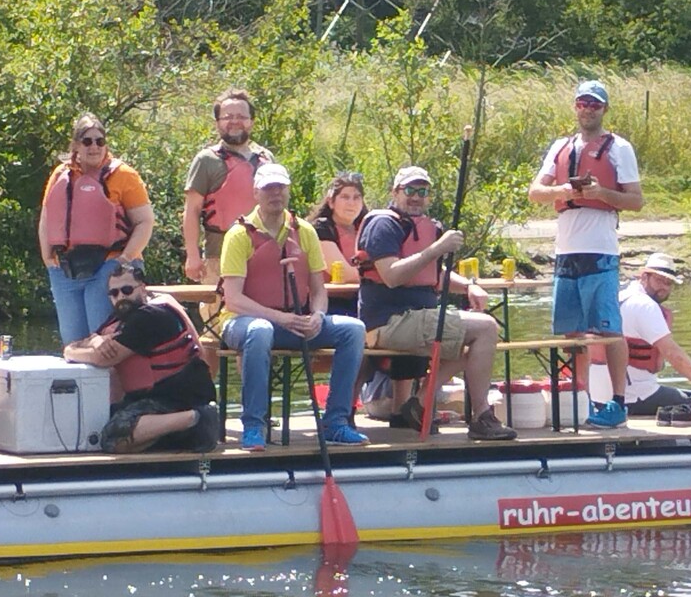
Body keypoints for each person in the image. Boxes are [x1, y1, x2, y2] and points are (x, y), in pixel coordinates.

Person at [354, 166, 517, 441]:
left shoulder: (425, 227)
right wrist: (437, 249)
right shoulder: (383, 225)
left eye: (422, 192)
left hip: (420, 318)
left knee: (475, 342)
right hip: (390, 322)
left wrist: (469, 286)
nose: (416, 197)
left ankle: (418, 403)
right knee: (486, 328)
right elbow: (392, 275)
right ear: (395, 192)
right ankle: (480, 416)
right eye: (409, 190)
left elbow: (433, 274)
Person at [219, 163, 369, 451]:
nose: (275, 194)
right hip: (243, 322)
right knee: (260, 331)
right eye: (268, 188)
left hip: (292, 321)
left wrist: (317, 316)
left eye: (280, 188)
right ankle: (254, 425)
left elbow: (318, 290)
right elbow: (234, 298)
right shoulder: (239, 235)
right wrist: (281, 318)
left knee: (353, 329)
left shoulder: (305, 231)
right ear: (256, 193)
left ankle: (336, 422)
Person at [527, 80, 644, 429]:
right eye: (583, 103)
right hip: (566, 252)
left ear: (604, 109)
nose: (588, 109)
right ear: (575, 107)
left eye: (595, 104)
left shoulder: (619, 148)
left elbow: (636, 200)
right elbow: (535, 192)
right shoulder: (561, 147)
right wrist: (564, 189)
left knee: (609, 330)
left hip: (601, 250)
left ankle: (618, 401)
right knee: (572, 333)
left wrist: (600, 192)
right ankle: (582, 399)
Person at [62, 264, 220, 454]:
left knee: (112, 438)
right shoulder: (122, 315)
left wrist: (69, 352)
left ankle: (197, 418)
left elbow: (103, 359)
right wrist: (96, 340)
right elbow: (90, 340)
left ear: (142, 288)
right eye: (114, 293)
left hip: (177, 397)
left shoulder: (149, 317)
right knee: (107, 420)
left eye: (127, 290)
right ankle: (187, 434)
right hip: (152, 398)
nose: (121, 297)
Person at [38, 114, 154, 345]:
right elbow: (47, 217)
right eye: (87, 141)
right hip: (66, 268)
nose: (94, 147)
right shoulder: (61, 175)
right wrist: (47, 257)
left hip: (109, 265)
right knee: (74, 344)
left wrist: (124, 259)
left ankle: (114, 381)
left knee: (102, 342)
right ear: (75, 146)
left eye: (99, 141)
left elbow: (145, 222)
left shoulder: (124, 176)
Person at [181, 88, 275, 319]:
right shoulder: (206, 160)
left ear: (251, 122)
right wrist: (192, 256)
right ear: (217, 123)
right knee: (215, 321)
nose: (235, 122)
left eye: (241, 117)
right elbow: (191, 211)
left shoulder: (266, 158)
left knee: (261, 320)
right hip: (217, 256)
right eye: (228, 117)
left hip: (261, 254)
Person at [588, 252, 691, 416]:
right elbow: (673, 354)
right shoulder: (645, 305)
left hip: (601, 396)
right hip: (636, 396)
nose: (664, 288)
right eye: (659, 280)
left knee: (690, 395)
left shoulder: (619, 296)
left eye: (669, 283)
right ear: (644, 277)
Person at [308, 171, 367, 315]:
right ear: (331, 202)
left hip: (363, 298)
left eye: (356, 197)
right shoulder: (320, 229)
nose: (351, 203)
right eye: (345, 197)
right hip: (330, 302)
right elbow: (346, 275)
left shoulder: (367, 228)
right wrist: (382, 275)